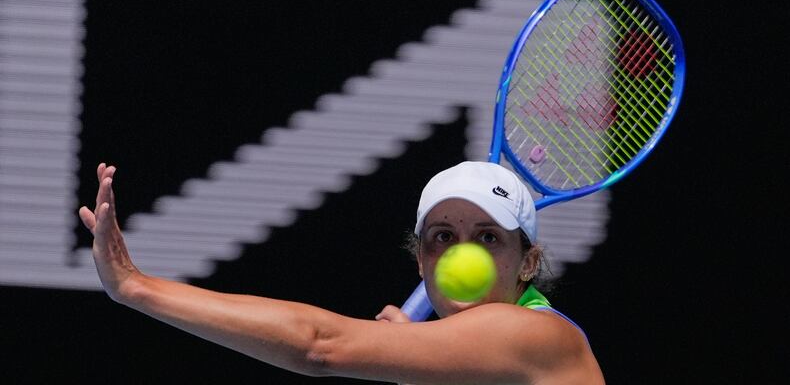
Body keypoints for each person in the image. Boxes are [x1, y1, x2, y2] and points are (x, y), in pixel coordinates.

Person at [79, 161, 604, 384]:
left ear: (528, 263)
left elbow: (318, 346)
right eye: (443, 237)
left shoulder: (538, 334)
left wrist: (136, 286)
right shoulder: (454, 362)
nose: (462, 255)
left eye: (488, 237)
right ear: (421, 260)